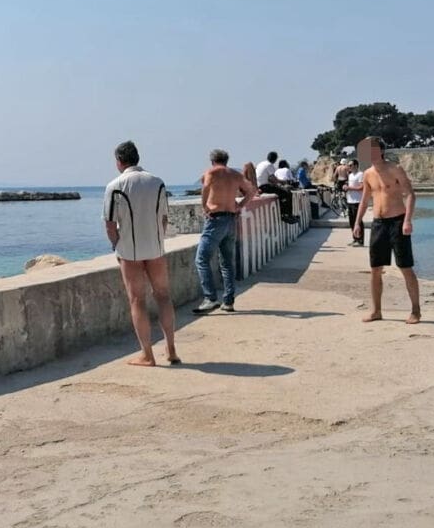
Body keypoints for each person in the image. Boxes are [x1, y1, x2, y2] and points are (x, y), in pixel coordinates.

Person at [104, 140, 180, 367]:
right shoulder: (157, 182)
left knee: (137, 300)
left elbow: (110, 225)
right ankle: (171, 349)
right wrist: (158, 240)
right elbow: (164, 218)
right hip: (156, 249)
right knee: (163, 296)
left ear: (119, 161)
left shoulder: (115, 186)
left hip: (130, 250)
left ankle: (147, 355)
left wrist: (117, 245)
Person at [353, 137, 420, 324]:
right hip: (378, 224)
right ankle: (376, 311)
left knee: (405, 267)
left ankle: (415, 310)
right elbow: (364, 200)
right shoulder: (368, 174)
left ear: (381, 151)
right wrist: (357, 223)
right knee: (375, 269)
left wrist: (407, 220)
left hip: (397, 222)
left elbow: (410, 194)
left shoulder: (395, 169)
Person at [193, 149, 256, 314]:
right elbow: (252, 191)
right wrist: (240, 205)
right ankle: (228, 301)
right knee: (227, 263)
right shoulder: (235, 174)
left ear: (212, 161)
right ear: (226, 161)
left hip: (215, 219)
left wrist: (205, 207)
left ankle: (210, 298)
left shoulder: (211, 172)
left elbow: (205, 188)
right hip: (231, 219)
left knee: (201, 259)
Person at [256, 151, 299, 224]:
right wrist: (282, 183)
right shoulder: (269, 165)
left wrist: (279, 184)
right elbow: (273, 179)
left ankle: (286, 214)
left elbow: (270, 179)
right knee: (287, 193)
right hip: (265, 186)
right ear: (275, 159)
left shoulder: (261, 164)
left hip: (260, 186)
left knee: (282, 192)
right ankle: (287, 215)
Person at [345, 159, 365, 246]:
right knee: (351, 221)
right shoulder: (350, 175)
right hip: (350, 200)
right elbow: (350, 186)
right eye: (348, 165)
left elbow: (362, 187)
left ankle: (360, 240)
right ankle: (355, 238)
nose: (349, 167)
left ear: (356, 165)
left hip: (357, 201)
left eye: (350, 165)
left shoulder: (360, 174)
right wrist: (346, 187)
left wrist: (350, 188)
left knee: (358, 221)